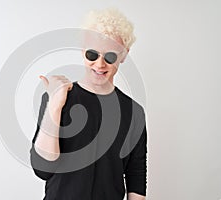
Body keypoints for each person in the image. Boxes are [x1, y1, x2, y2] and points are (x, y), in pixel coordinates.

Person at [30, 8, 147, 200]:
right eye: (92, 54)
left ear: (124, 55)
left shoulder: (134, 112)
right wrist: (55, 105)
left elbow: (136, 175)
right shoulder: (58, 97)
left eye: (110, 57)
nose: (100, 65)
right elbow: (43, 169)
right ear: (83, 51)